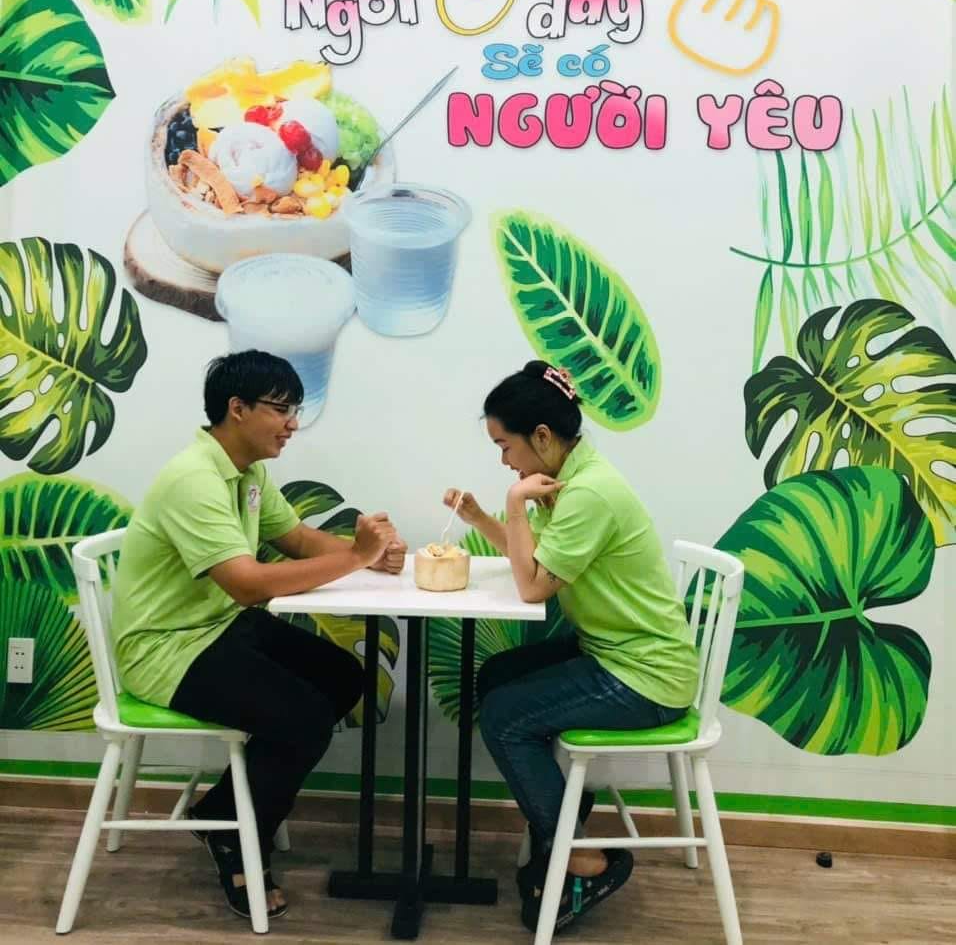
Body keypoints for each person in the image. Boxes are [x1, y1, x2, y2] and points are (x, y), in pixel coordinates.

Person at [112, 350, 407, 920]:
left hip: (217, 626)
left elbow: (295, 539)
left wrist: (371, 555)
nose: (292, 423)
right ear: (237, 409)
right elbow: (247, 585)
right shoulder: (194, 480)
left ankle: (222, 812)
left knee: (343, 676)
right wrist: (355, 558)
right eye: (280, 409)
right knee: (303, 719)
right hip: (165, 649)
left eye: (296, 410)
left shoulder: (247, 471)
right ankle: (236, 839)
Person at [444, 360, 698, 934]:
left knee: (505, 717)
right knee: (497, 676)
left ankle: (584, 859)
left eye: (504, 446)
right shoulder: (570, 480)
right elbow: (535, 562)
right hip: (616, 652)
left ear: (541, 437)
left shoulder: (588, 494)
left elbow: (532, 586)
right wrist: (483, 517)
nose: (504, 461)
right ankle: (557, 816)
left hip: (646, 677)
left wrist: (513, 503)